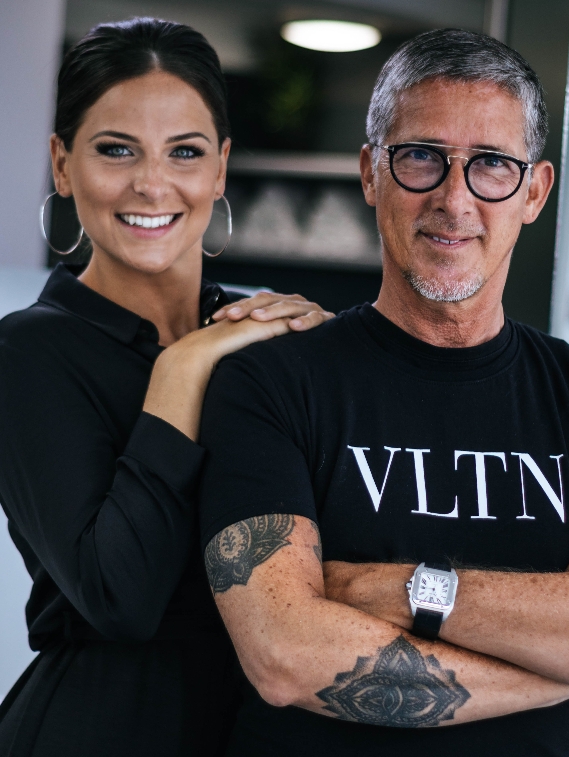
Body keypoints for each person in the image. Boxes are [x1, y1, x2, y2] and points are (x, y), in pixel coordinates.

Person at [198, 29, 569, 757]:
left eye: (491, 164)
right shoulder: (270, 382)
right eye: (422, 157)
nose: (454, 198)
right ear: (371, 172)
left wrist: (413, 590)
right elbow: (285, 656)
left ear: (535, 191)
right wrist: (567, 666)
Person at [0, 17, 333, 757]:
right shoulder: (28, 351)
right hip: (103, 730)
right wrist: (182, 369)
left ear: (219, 169)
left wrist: (340, 359)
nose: (151, 184)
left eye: (184, 152)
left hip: (270, 729)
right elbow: (120, 597)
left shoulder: (269, 329)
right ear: (61, 164)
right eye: (116, 149)